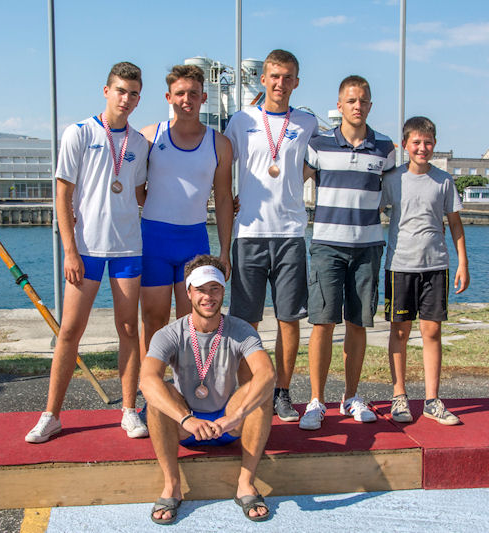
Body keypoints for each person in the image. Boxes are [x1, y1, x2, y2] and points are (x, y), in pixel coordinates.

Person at [25, 62, 150, 443]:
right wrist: (70, 250)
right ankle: (51, 415)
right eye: (120, 90)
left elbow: (141, 194)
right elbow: (63, 195)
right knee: (70, 331)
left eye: (133, 93)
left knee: (128, 329)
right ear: (106, 91)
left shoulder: (139, 143)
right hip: (86, 249)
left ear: (139, 99)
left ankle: (129, 410)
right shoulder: (78, 133)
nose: (126, 99)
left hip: (128, 247)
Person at [141, 255, 275, 525]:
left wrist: (235, 417)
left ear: (223, 291)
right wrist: (186, 419)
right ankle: (172, 486)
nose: (208, 296)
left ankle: (245, 483)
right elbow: (146, 380)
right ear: (189, 293)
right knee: (157, 395)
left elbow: (267, 374)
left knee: (261, 390)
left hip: (228, 424)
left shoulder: (241, 330)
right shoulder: (169, 334)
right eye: (201, 289)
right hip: (185, 426)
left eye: (215, 288)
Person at [224, 49, 318, 423]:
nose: (281, 83)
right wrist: (232, 196)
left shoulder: (308, 122)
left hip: (290, 232)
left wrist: (293, 180)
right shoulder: (241, 120)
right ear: (263, 80)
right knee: (245, 323)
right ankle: (249, 392)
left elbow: (318, 163)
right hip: (249, 232)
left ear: (296, 82)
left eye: (288, 77)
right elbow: (220, 164)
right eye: (274, 76)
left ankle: (281, 391)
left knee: (288, 319)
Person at [298, 75, 396, 430]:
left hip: (367, 247)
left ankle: (351, 397)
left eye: (363, 100)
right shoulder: (319, 145)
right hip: (327, 246)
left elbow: (395, 192)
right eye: (351, 100)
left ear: (370, 105)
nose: (358, 106)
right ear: (339, 105)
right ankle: (316, 401)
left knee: (358, 323)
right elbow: (291, 185)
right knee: (323, 323)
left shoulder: (385, 148)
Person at [138, 64, 233, 364]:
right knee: (153, 320)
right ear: (169, 97)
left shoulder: (220, 144)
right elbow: (136, 190)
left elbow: (223, 200)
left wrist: (225, 251)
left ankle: (188, 386)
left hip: (194, 243)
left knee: (191, 322)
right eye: (180, 93)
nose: (186, 99)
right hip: (154, 240)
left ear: (204, 97)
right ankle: (149, 385)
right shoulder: (150, 137)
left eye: (193, 93)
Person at [381, 116, 470, 426]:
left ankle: (432, 400)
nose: (422, 148)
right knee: (400, 332)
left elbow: (455, 224)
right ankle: (399, 396)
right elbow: (371, 212)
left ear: (435, 145)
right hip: (400, 266)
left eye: (428, 143)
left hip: (436, 266)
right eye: (416, 142)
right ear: (405, 144)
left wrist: (462, 263)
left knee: (431, 331)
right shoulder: (392, 179)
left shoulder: (444, 181)